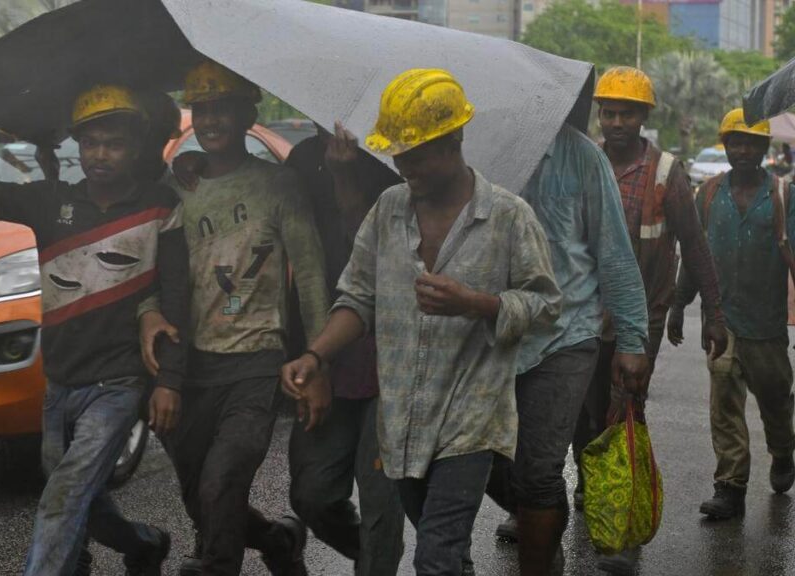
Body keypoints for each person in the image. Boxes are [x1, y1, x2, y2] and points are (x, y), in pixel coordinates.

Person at [281, 68, 562, 576]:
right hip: (401, 422)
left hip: (470, 422)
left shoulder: (507, 217)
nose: (402, 164)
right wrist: (314, 355)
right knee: (447, 558)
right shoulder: (388, 211)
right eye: (397, 152)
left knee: (434, 557)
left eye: (415, 153)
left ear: (453, 139)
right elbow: (357, 296)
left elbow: (545, 306)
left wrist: (477, 303)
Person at [0, 80, 187, 576]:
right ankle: (145, 544)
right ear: (77, 146)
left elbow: (174, 300)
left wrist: (168, 380)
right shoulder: (49, 202)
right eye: (90, 142)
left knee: (64, 495)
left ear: (137, 147)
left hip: (119, 383)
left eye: (115, 143)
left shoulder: (161, 209)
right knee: (80, 494)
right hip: (60, 381)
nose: (100, 154)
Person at [138, 60, 330, 576]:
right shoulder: (178, 185)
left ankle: (217, 565)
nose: (210, 119)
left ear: (248, 114)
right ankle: (277, 540)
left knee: (221, 482)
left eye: (222, 107)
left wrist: (316, 363)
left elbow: (310, 274)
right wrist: (148, 312)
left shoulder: (279, 184)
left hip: (255, 362)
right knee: (203, 495)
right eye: (201, 108)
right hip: (188, 366)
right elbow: (149, 271)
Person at [573, 67, 727, 575]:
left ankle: (621, 530)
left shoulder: (665, 172)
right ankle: (589, 485)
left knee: (623, 408)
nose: (616, 121)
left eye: (627, 113)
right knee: (583, 412)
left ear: (643, 118)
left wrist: (712, 312)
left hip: (642, 315)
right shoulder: (584, 161)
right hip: (583, 313)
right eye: (609, 112)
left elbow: (695, 245)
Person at [485, 120, 650, 575]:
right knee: (483, 461)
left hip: (565, 335)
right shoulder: (482, 147)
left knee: (539, 469)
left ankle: (540, 558)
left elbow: (613, 250)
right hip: (492, 333)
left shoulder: (582, 157)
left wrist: (633, 339)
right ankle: (542, 526)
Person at [283, 122, 406, 576]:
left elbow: (372, 255)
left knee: (380, 496)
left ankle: (379, 562)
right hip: (325, 348)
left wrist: (346, 176)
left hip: (388, 353)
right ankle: (370, 555)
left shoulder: (395, 157)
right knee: (311, 492)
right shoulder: (301, 160)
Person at [669, 109, 795, 520]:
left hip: (767, 325)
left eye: (751, 142)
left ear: (764, 147)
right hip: (720, 322)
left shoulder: (782, 195)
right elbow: (695, 254)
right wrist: (678, 303)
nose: (743, 149)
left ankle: (782, 450)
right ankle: (730, 487)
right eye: (735, 142)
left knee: (776, 401)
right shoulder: (706, 194)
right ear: (724, 145)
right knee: (724, 403)